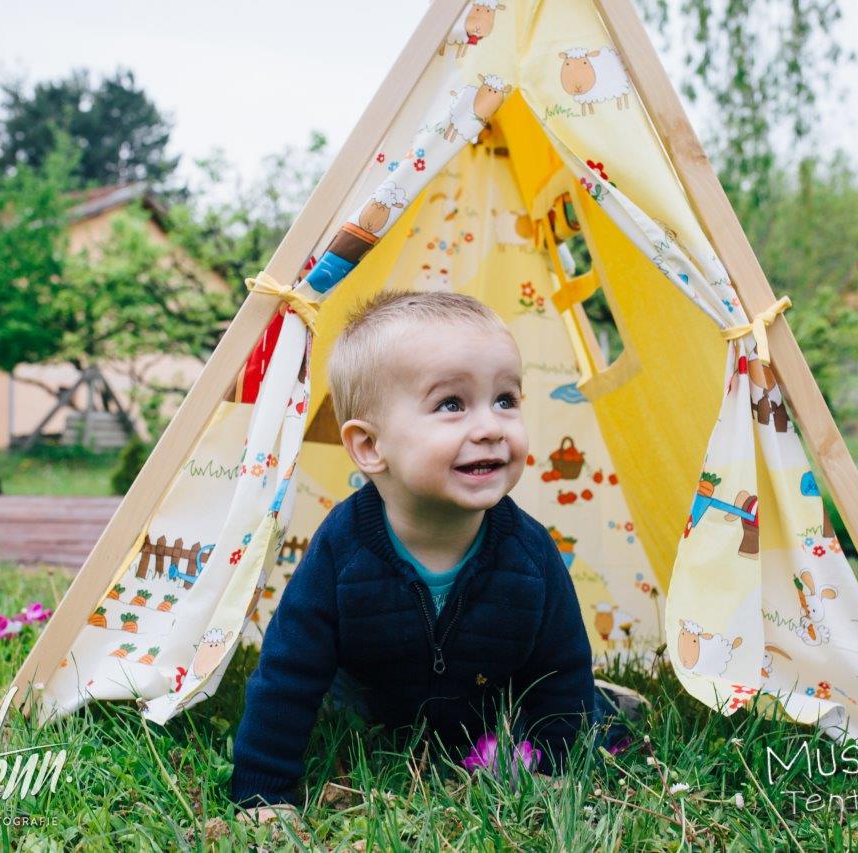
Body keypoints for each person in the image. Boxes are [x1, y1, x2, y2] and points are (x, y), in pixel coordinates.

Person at [231, 290, 640, 823]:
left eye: (506, 400)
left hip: (489, 703)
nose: (492, 426)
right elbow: (287, 673)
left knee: (582, 712)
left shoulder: (530, 552)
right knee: (336, 704)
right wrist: (264, 793)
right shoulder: (341, 549)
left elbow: (558, 666)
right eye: (452, 404)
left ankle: (608, 701)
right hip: (373, 704)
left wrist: (556, 769)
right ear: (370, 447)